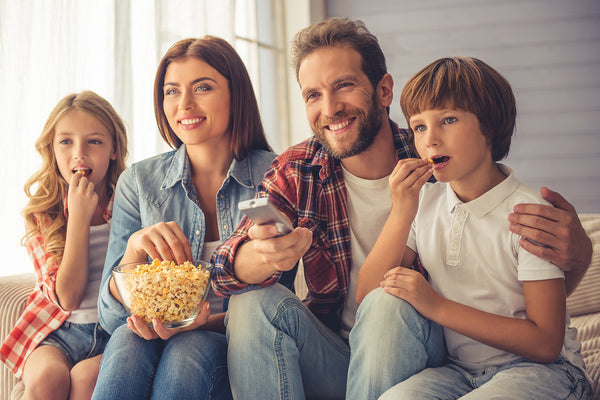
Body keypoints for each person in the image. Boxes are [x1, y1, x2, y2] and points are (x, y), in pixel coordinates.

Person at [212, 17, 593, 399]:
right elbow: (223, 270)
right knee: (250, 301)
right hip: (337, 351)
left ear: (383, 90)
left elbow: (529, 307)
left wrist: (580, 254)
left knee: (388, 301)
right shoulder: (302, 168)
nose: (329, 109)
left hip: (422, 349)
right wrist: (259, 255)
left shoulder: (439, 167)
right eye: (313, 94)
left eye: (344, 85)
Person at [357, 56, 591, 399]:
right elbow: (369, 297)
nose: (430, 139)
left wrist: (436, 306)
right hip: (459, 373)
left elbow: (545, 343)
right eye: (419, 127)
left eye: (448, 120)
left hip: (542, 371)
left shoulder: (528, 214)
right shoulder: (424, 203)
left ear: (489, 126)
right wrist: (402, 209)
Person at [92, 36, 280, 400]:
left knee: (186, 350)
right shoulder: (140, 182)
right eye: (171, 91)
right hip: (148, 339)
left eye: (203, 88)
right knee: (128, 342)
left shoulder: (276, 175)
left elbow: (282, 304)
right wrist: (133, 249)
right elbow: (111, 317)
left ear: (235, 93)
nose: (184, 105)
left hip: (236, 342)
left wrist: (198, 324)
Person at [0, 91, 128, 400]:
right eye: (66, 142)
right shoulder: (41, 213)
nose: (79, 154)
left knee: (85, 384)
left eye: (94, 142)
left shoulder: (130, 203)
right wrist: (79, 218)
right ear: (52, 149)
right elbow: (67, 298)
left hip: (113, 333)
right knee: (47, 381)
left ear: (113, 149)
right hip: (56, 333)